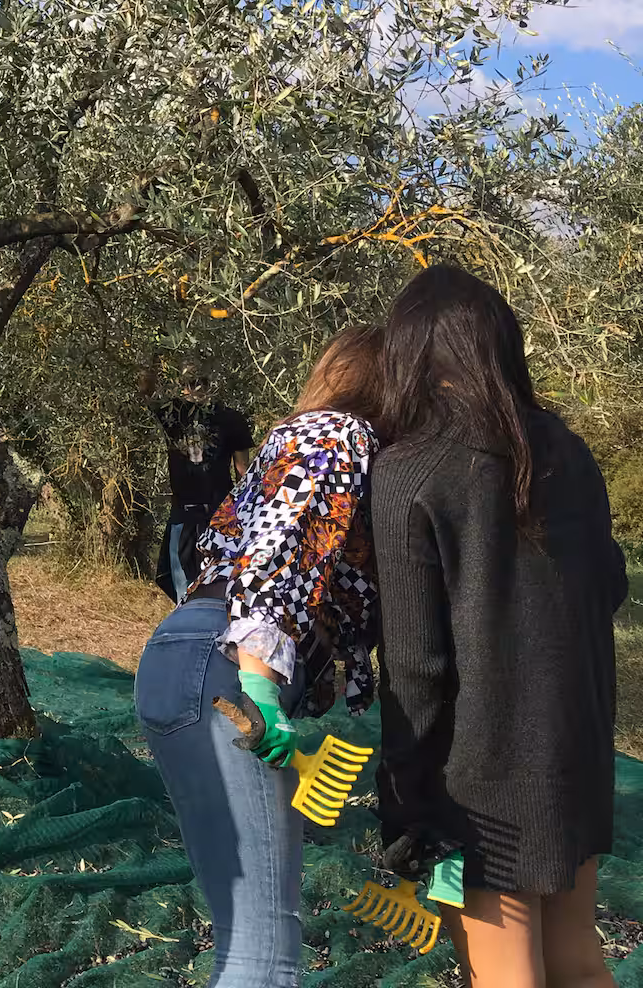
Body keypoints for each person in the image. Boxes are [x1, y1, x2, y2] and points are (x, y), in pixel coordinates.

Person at [373, 265, 627, 988]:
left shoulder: (410, 470)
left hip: (480, 777)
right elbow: (608, 584)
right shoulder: (567, 451)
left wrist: (404, 798)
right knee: (579, 959)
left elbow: (416, 665)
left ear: (411, 355)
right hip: (579, 745)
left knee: (505, 974)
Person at [134, 326, 384, 988]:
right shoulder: (335, 436)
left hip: (181, 655)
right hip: (226, 673)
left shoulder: (295, 435)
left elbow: (231, 550)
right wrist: (263, 685)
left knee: (246, 942)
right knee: (265, 960)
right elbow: (278, 555)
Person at [141, 360, 254, 602]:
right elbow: (243, 472)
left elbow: (144, 390)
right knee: (218, 580)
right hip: (216, 514)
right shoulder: (230, 417)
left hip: (195, 514)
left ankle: (189, 624)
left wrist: (153, 356)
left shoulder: (172, 413)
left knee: (184, 585)